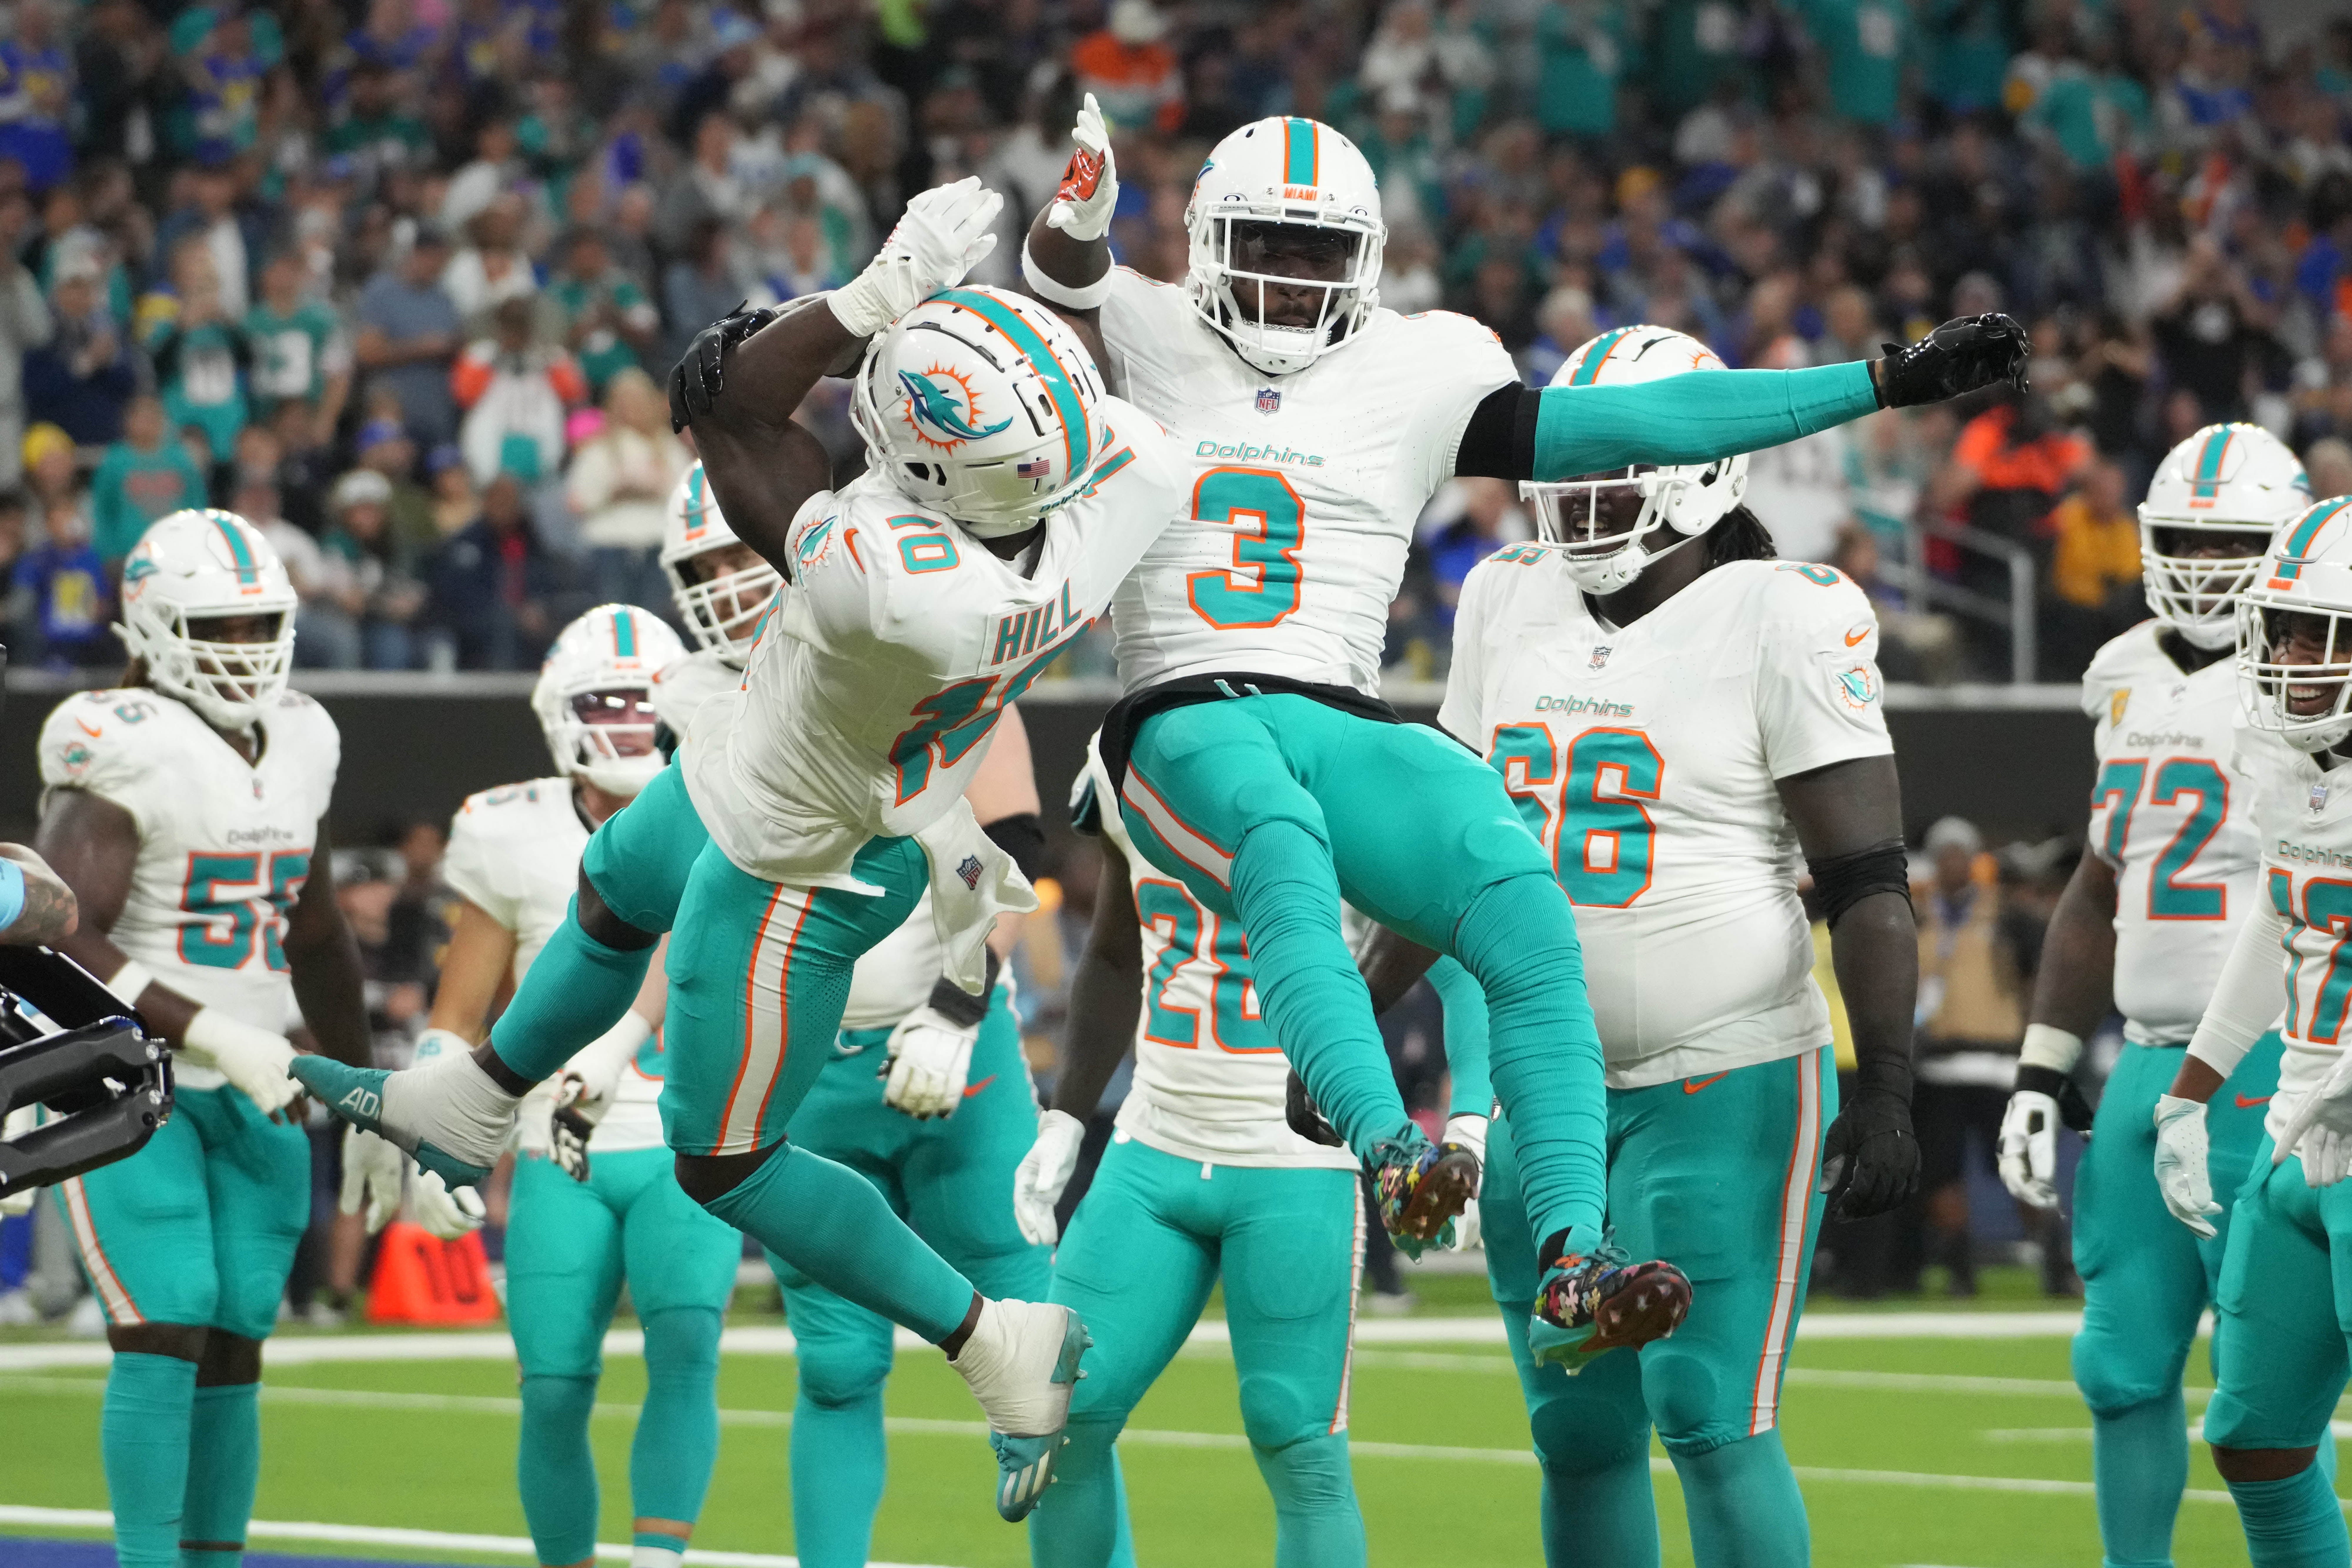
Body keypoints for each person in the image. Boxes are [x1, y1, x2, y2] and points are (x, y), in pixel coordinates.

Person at [1021, 106, 2021, 1351]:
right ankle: (1396, 1150)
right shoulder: (1144, 323)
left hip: (1340, 712)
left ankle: (1572, 1249)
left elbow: (1645, 429)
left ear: (1371, 261)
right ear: (1208, 242)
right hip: (1177, 706)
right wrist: (1070, 225)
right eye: (1265, 246)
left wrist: (1873, 381)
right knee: (1279, 840)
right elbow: (1049, 311)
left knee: (1519, 897)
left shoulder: (1423, 363)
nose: (1289, 278)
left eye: (1320, 253)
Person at [293, 180, 1188, 1519]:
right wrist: (1062, 258)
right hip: (765, 767)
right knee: (612, 885)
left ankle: (992, 1340)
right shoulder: (1125, 479)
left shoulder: (883, 574)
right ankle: (483, 1091)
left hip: (796, 860)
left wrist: (878, 297)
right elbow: (1069, 375)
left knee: (727, 1162)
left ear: (937, 471)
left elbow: (716, 397)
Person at [1349, 325, 1918, 1568]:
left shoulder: (1787, 610)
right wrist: (1348, 1012)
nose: (1583, 501)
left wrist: (1887, 1085)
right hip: (1542, 1091)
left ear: (1698, 472)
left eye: (1616, 472)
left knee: (1708, 1414)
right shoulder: (1506, 592)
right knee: (1578, 1430)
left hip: (1726, 1071)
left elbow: (1868, 878)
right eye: (1573, 473)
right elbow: (1452, 847)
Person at [1013, 730, 1494, 1568]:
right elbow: (1117, 948)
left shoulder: (1354, 755)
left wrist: (1469, 1130)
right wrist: (1065, 1116)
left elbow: (1459, 951)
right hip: (1153, 1142)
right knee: (1055, 1416)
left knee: (1295, 1438)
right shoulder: (1127, 745)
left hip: (1297, 1159)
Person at [31, 508, 402, 1568]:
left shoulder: (303, 734)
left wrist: (365, 1098)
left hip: (262, 1083)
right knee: (169, 1318)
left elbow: (319, 929)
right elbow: (57, 936)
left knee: (240, 1327)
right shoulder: (121, 743)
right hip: (130, 1084)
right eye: (216, 628)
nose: (243, 652)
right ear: (148, 626)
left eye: (258, 627)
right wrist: (213, 1034)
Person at [2000, 421, 2311, 1568]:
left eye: (2227, 542)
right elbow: (2097, 882)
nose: (2199, 566)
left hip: (2271, 1063)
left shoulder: (2313, 667)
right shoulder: (2122, 669)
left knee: (2263, 1397)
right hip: (2141, 1059)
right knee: (2120, 1366)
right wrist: (2041, 1066)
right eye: (2180, 538)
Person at [415, 602, 740, 1568]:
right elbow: (456, 1015)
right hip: (561, 1146)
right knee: (553, 1385)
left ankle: (660, 1559)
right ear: (560, 712)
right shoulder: (505, 831)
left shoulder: (734, 802)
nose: (633, 724)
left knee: (687, 1355)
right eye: (608, 701)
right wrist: (426, 1132)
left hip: (695, 1143)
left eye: (649, 703)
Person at [2152, 493, 2352, 1568]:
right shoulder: (2279, 755)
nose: (2298, 659)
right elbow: (2283, 908)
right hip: (2297, 1133)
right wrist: (2193, 1084)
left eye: (2329, 635)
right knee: (2256, 1439)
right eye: (2285, 630)